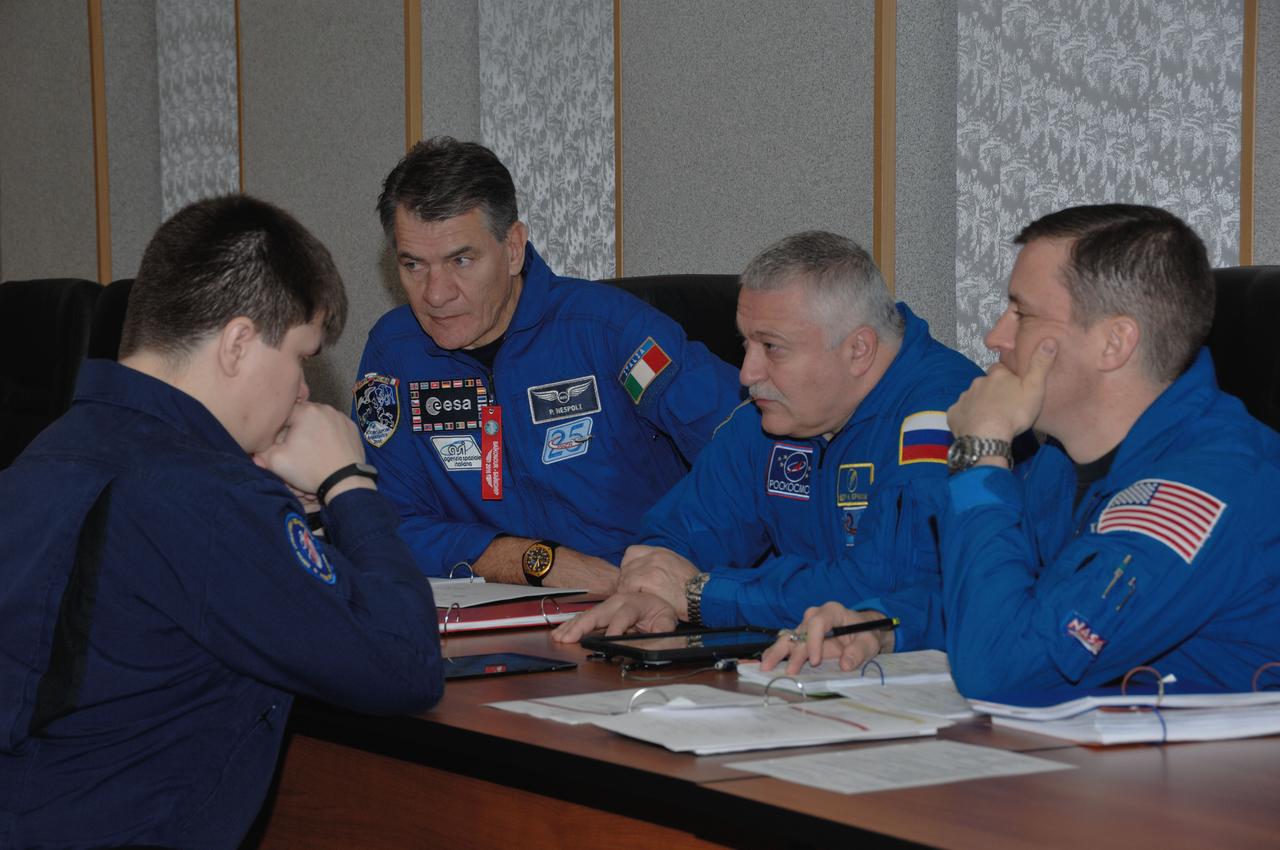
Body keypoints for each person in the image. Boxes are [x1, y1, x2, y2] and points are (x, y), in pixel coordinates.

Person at [0, 196, 443, 848]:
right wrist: (349, 482)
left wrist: (290, 514)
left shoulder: (50, 453)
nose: (302, 391)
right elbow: (404, 665)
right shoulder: (206, 496)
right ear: (238, 343)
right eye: (301, 357)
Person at [769, 204, 1280, 696]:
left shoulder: (1199, 495)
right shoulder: (1058, 461)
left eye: (1023, 313)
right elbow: (1005, 598)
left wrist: (982, 452)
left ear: (1114, 343)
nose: (995, 336)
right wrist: (883, 626)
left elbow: (1003, 670)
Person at [553, 232, 981, 651]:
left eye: (772, 347)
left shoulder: (946, 415)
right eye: (746, 343)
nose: (747, 373)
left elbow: (890, 584)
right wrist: (648, 591)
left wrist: (703, 595)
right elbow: (678, 533)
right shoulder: (772, 417)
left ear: (858, 349)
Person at [355, 137, 742, 593]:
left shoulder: (613, 332)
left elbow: (750, 454)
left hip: (642, 612)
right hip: (495, 624)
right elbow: (382, 526)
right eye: (414, 265)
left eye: (461, 260)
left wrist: (671, 569)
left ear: (513, 247)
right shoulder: (394, 356)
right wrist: (532, 561)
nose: (436, 294)